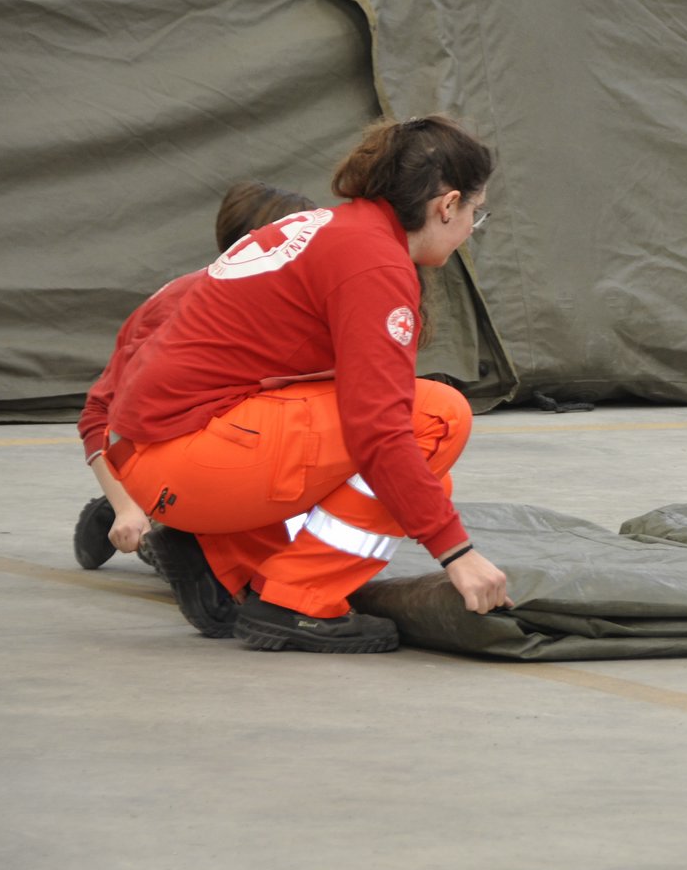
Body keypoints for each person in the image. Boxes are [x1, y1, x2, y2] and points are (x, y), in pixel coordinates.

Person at [105, 116, 512, 653]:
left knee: (422, 483)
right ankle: (297, 602)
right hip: (189, 462)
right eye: (474, 216)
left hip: (156, 462)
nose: (468, 231)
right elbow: (379, 430)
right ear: (446, 204)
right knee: (435, 417)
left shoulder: (327, 228)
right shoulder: (373, 263)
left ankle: (241, 569)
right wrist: (457, 553)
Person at [75, 181, 318, 571]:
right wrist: (126, 509)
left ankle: (165, 516)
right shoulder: (184, 301)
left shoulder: (291, 308)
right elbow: (100, 414)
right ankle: (152, 516)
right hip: (170, 459)